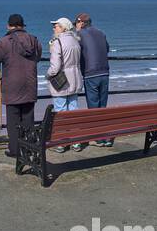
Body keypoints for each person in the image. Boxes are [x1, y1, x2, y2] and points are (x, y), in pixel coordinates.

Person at [0, 13, 42, 160]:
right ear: (23, 25)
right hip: (30, 85)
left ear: (8, 25)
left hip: (12, 87)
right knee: (28, 119)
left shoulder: (5, 41)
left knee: (13, 120)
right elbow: (38, 56)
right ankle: (28, 148)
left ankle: (15, 150)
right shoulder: (34, 40)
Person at [46, 16, 84, 152]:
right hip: (75, 79)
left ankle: (61, 142)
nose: (53, 28)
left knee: (60, 111)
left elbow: (55, 67)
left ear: (63, 28)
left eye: (56, 25)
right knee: (73, 109)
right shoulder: (75, 41)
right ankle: (75, 141)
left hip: (62, 81)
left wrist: (48, 74)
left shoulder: (58, 42)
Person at [76, 12, 113, 147]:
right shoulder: (101, 32)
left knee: (93, 107)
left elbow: (76, 51)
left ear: (81, 22)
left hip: (91, 74)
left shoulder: (79, 35)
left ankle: (97, 138)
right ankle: (104, 136)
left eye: (76, 23)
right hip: (104, 72)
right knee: (102, 106)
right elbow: (107, 49)